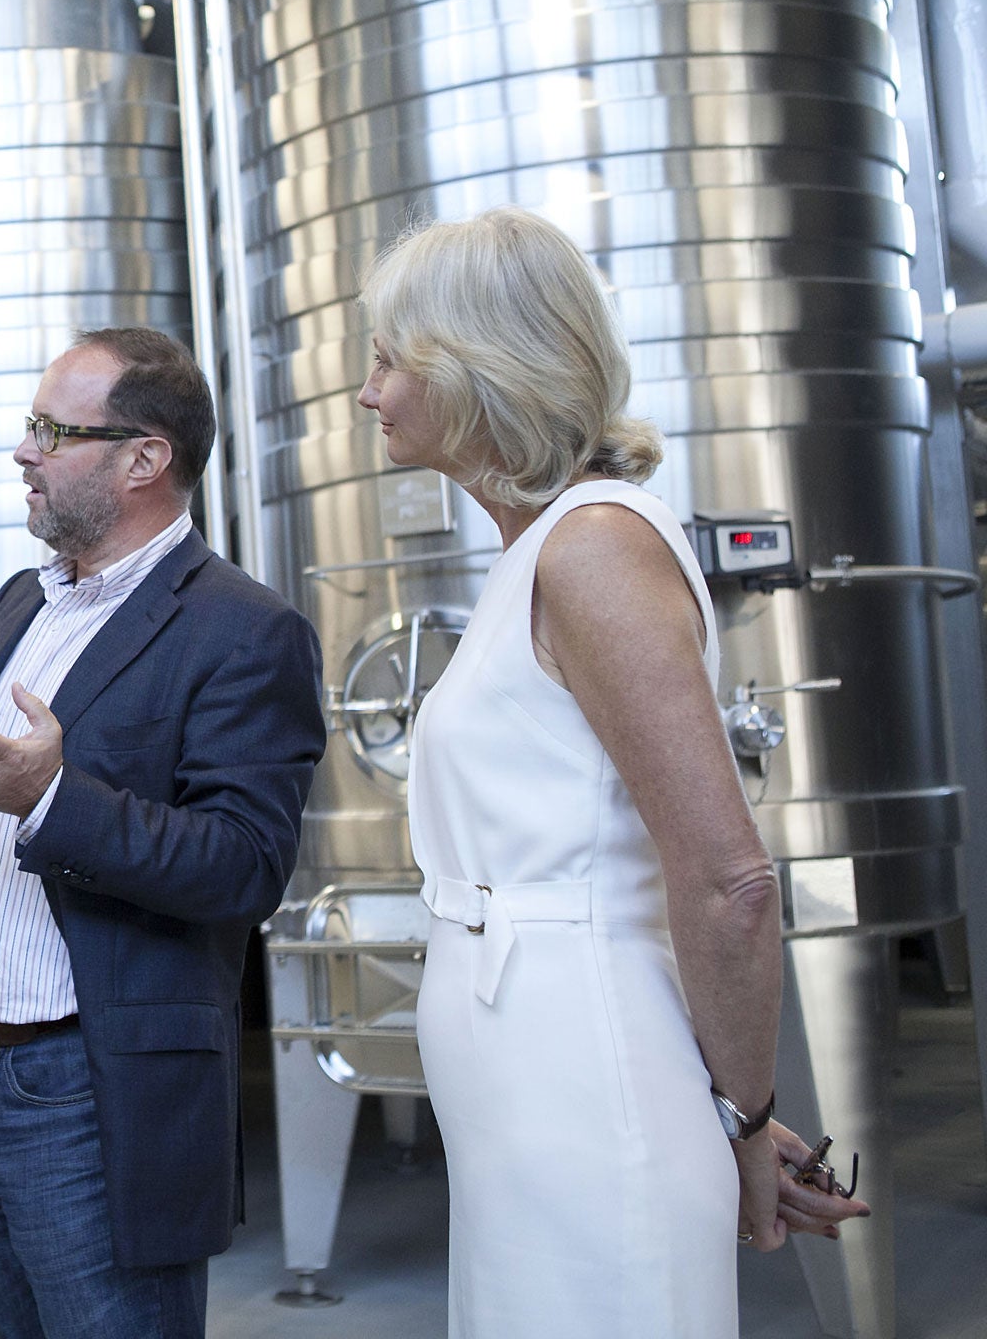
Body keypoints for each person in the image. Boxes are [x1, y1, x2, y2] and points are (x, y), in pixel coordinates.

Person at [355, 208, 871, 1336]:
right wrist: (711, 1101)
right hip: (545, 1090)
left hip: (582, 1088)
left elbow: (726, 877)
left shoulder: (591, 547)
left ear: (472, 368)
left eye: (387, 360)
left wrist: (737, 1116)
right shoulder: (537, 551)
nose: (366, 391)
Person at [0, 327, 325, 1339]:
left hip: (92, 1089)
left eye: (53, 430)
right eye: (28, 426)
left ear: (143, 459)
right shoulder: (24, 600)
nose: (23, 452)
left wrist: (56, 801)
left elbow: (243, 866)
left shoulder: (239, 630)